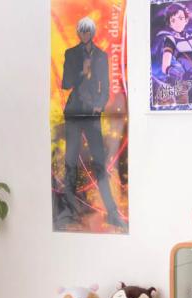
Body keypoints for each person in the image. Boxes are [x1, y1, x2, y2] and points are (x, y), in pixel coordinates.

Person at [61, 17, 125, 228]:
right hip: (73, 113)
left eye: (88, 31)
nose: (85, 34)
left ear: (93, 32)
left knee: (99, 163)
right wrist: (82, 71)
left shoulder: (101, 56)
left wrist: (100, 105)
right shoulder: (71, 54)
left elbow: (105, 86)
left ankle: (112, 212)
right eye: (82, 31)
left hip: (91, 114)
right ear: (78, 33)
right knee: (71, 163)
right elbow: (65, 83)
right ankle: (69, 212)